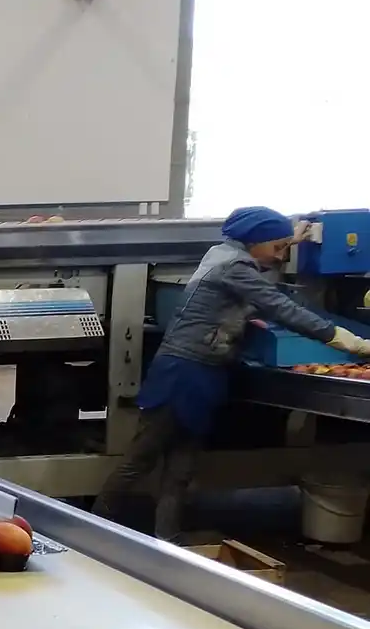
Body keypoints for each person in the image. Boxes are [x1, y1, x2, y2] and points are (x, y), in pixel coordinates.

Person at [94, 205, 370, 541]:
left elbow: (259, 278)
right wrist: (348, 341)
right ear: (255, 241)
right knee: (141, 459)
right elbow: (280, 307)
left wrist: (290, 240)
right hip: (182, 372)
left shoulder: (225, 254)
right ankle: (94, 526)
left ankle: (167, 540)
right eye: (277, 247)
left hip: (204, 373)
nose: (281, 256)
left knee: (181, 468)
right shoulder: (233, 266)